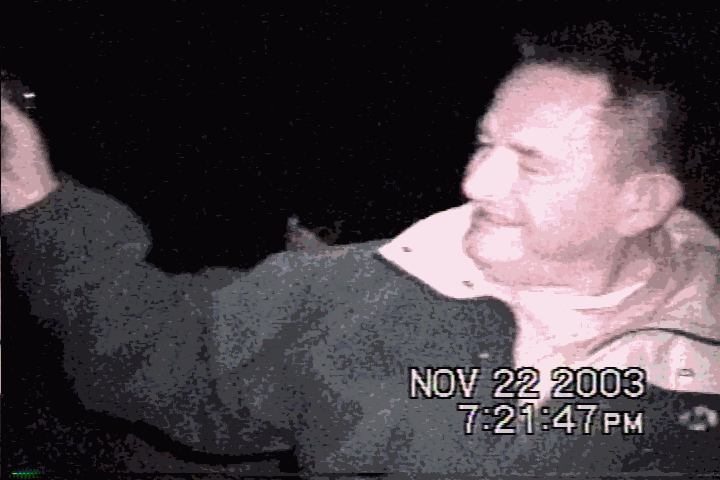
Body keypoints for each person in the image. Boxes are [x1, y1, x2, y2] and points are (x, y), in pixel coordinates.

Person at [2, 21, 719, 476]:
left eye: (531, 163)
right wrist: (38, 203)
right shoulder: (360, 292)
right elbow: (153, 346)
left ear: (641, 202)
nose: (474, 183)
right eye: (484, 143)